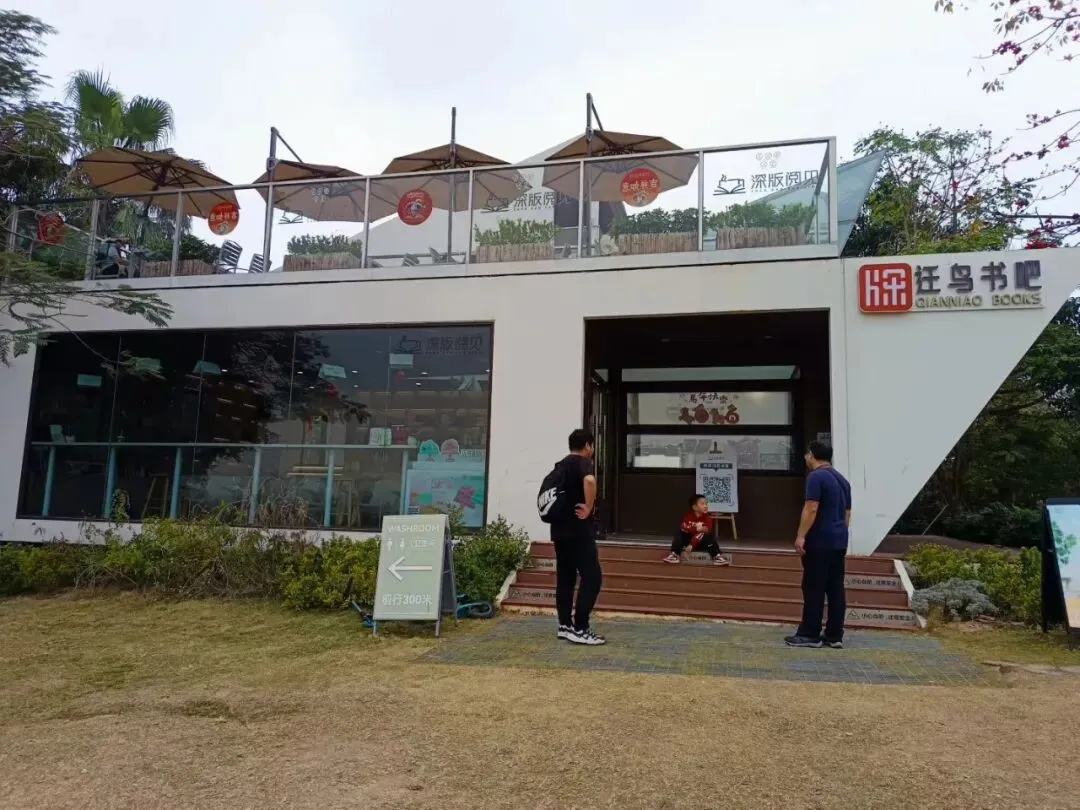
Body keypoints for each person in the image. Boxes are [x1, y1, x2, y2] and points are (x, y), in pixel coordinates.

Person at [785, 440, 852, 649]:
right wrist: (840, 533)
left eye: (807, 453)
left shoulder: (816, 477)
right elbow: (847, 514)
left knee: (813, 586)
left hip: (820, 540)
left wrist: (801, 535)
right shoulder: (842, 480)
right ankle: (834, 634)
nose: (806, 457)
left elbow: (811, 508)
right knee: (835, 588)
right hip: (838, 540)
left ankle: (810, 634)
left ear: (812, 455)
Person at [549, 428, 605, 646]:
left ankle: (565, 626)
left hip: (559, 530)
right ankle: (581, 628)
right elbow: (589, 481)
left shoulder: (560, 465)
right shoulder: (582, 462)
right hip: (578, 530)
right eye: (592, 445)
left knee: (566, 577)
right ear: (588, 446)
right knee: (592, 577)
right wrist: (589, 507)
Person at [663, 494, 730, 565]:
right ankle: (675, 555)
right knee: (679, 531)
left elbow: (704, 531)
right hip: (688, 543)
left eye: (706, 504)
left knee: (708, 535)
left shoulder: (708, 519)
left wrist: (692, 544)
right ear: (694, 507)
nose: (705, 506)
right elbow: (684, 527)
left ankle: (717, 556)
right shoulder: (688, 517)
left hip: (702, 544)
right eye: (702, 504)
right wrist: (695, 528)